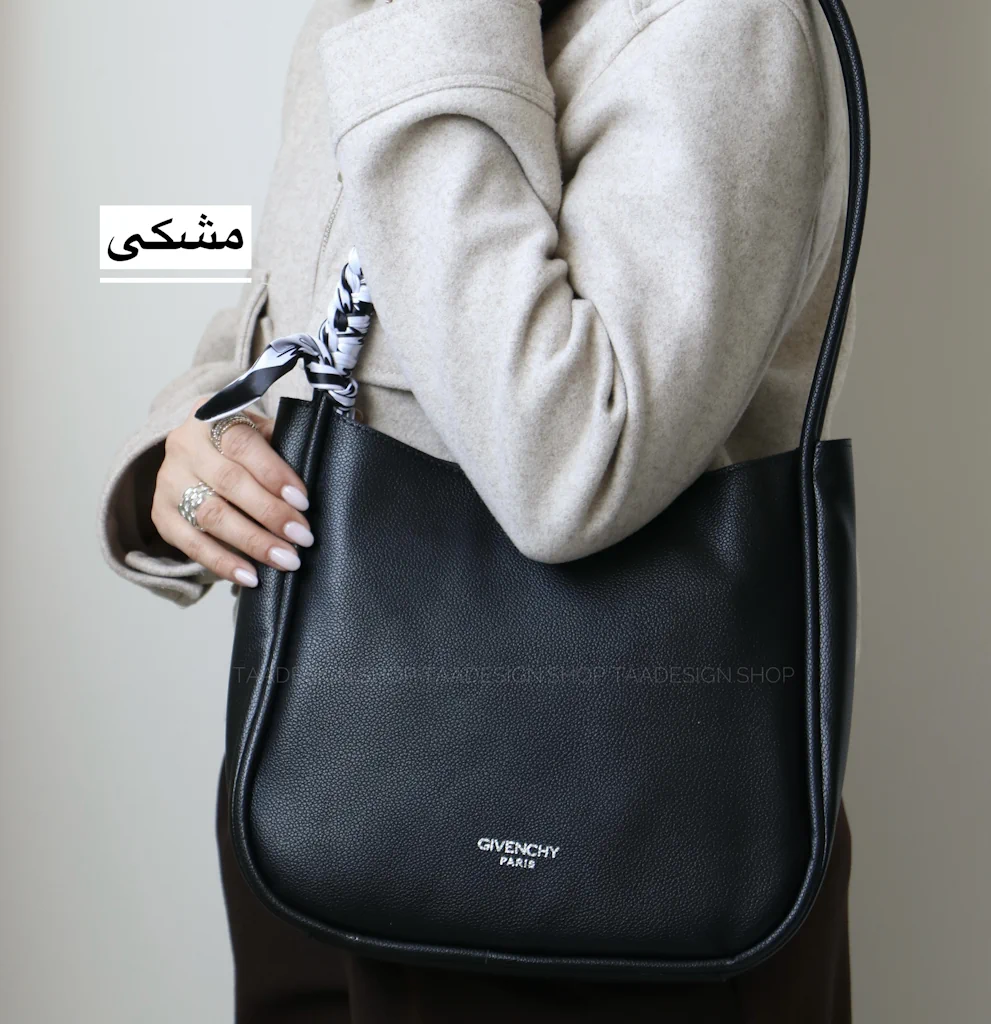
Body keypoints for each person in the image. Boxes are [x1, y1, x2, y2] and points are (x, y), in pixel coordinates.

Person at [97, 0, 857, 1019]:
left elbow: (574, 465)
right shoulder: (365, 15)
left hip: (602, 882)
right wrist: (194, 442)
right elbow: (305, 315)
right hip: (316, 803)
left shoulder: (718, 27)